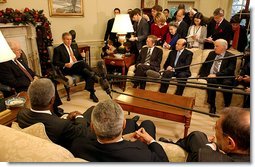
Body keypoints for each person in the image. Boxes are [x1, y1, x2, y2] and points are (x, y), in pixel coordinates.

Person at [70, 99, 169, 162]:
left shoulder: (78, 145)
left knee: (132, 123)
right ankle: (134, 123)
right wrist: (151, 141)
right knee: (148, 124)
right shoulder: (143, 156)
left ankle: (133, 122)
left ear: (92, 127)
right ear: (123, 125)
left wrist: (123, 137)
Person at [17, 78, 93, 149]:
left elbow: (50, 121)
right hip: (67, 148)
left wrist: (64, 119)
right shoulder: (61, 125)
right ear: (52, 100)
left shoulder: (21, 114)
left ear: (29, 98)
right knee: (92, 111)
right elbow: (81, 131)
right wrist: (79, 116)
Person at [0, 40, 63, 116]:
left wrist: (35, 76)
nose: (21, 52)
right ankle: (51, 111)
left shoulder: (19, 59)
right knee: (46, 88)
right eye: (18, 50)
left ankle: (54, 108)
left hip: (32, 83)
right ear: (11, 51)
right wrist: (31, 82)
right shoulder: (4, 64)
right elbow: (12, 81)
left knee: (51, 82)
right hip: (22, 88)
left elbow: (29, 71)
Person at [173, 107, 250, 162]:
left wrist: (212, 146)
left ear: (230, 143)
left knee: (196, 136)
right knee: (197, 136)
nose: (214, 132)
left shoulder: (207, 160)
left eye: (216, 128)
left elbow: (202, 157)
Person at [53, 32, 99, 102]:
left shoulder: (74, 47)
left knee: (87, 72)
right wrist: (65, 64)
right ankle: (96, 75)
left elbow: (79, 59)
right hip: (67, 69)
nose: (69, 41)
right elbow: (55, 62)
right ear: (63, 39)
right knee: (84, 65)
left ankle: (92, 93)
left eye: (70, 39)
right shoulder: (58, 49)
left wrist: (82, 56)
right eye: (67, 39)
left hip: (77, 67)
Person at [198, 39, 236, 114]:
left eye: (217, 46)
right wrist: (201, 75)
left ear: (223, 47)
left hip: (224, 77)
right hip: (212, 77)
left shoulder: (231, 56)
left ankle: (227, 106)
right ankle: (212, 106)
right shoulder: (211, 54)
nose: (214, 47)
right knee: (211, 81)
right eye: (214, 46)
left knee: (227, 84)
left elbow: (230, 70)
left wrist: (216, 75)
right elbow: (205, 65)